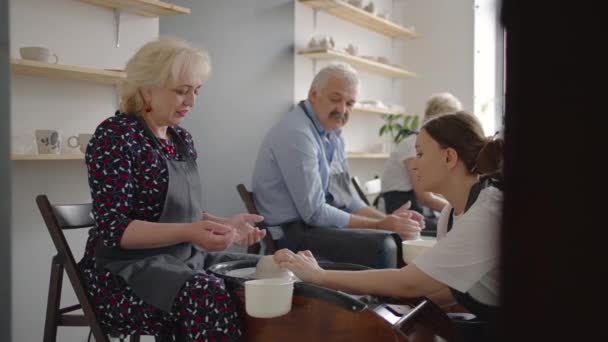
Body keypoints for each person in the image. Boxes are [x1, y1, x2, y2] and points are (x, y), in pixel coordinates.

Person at [78, 37, 266, 341]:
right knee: (208, 293)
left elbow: (181, 213)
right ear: (147, 87)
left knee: (265, 272)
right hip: (123, 275)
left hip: (180, 261)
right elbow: (115, 230)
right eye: (181, 91)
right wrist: (191, 233)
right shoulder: (115, 136)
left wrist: (223, 224)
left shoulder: (181, 139)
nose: (191, 101)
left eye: (196, 91)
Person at [275, 112, 503, 340]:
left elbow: (409, 283)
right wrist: (385, 305)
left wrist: (320, 276)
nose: (414, 165)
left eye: (421, 153)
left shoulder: (485, 213)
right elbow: (447, 288)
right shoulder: (450, 213)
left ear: (449, 157)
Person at [251, 62, 424, 269]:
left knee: (397, 236)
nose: (342, 109)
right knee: (386, 244)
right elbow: (314, 213)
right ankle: (380, 301)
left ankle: (396, 299)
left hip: (314, 225)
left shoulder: (334, 135)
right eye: (335, 99)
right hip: (291, 233)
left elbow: (348, 199)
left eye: (350, 103)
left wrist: (388, 220)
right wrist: (380, 225)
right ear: (313, 94)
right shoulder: (297, 134)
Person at [380, 92, 462, 235]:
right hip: (404, 210)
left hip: (418, 208)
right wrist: (460, 212)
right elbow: (425, 197)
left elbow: (436, 191)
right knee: (455, 230)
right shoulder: (412, 145)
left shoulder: (428, 144)